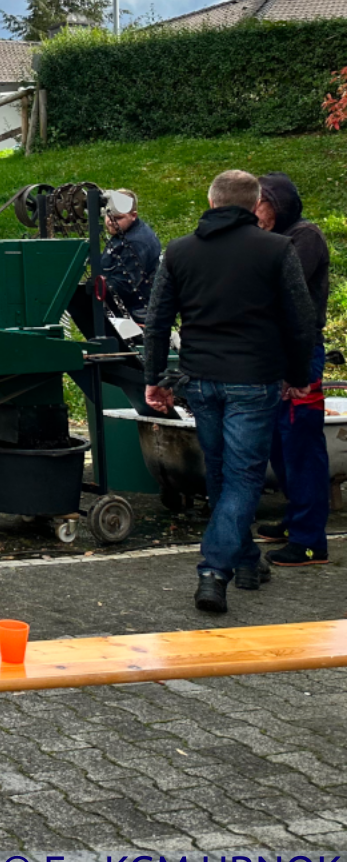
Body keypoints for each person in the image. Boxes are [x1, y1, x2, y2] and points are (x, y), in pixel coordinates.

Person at [143, 170, 316, 614]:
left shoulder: (180, 251)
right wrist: (298, 374)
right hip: (254, 380)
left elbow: (158, 321)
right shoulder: (276, 249)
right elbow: (300, 320)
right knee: (243, 478)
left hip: (200, 379)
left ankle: (247, 561)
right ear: (254, 202)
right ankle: (214, 570)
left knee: (221, 473)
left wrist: (156, 377)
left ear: (211, 199)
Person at [254, 173, 331, 567]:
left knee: (301, 445)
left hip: (300, 352)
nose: (255, 213)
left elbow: (286, 291)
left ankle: (309, 538)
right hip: (274, 352)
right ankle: (295, 516)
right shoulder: (271, 238)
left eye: (261, 204)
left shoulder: (306, 237)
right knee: (279, 446)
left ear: (278, 205)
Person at [99, 188, 161, 324]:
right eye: (108, 216)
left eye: (118, 218)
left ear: (133, 215)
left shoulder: (135, 243)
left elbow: (122, 286)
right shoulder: (123, 231)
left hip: (135, 316)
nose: (110, 221)